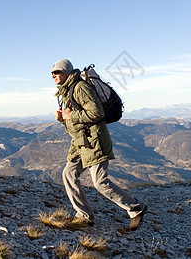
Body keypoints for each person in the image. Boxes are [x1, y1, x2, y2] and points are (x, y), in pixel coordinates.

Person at [52, 58, 147, 231]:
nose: (53, 76)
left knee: (100, 182)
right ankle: (84, 216)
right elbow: (74, 120)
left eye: (57, 72)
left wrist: (69, 116)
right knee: (69, 173)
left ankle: (136, 208)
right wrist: (62, 120)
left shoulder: (80, 87)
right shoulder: (66, 91)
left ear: (66, 72)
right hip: (80, 142)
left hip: (94, 141)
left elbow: (96, 113)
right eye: (52, 73)